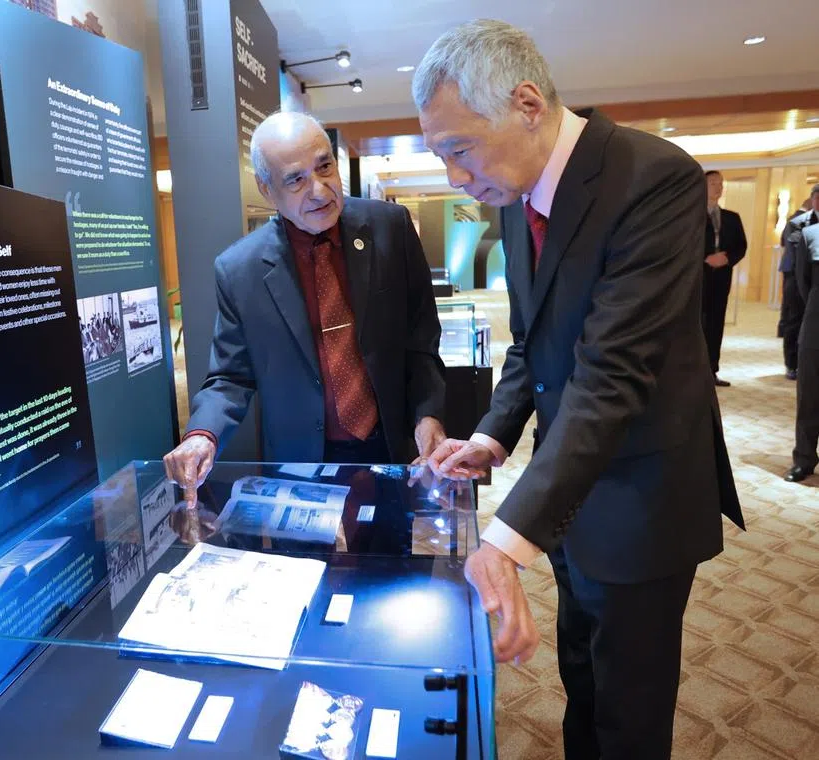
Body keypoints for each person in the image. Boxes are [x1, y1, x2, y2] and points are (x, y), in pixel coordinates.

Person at [412, 20, 743, 760]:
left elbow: (613, 373)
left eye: (459, 150)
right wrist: (494, 435)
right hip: (567, 490)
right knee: (582, 674)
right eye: (441, 157)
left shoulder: (653, 177)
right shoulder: (516, 192)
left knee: (629, 704)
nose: (454, 179)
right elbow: (533, 342)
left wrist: (502, 541)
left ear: (527, 103)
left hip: (642, 495)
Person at [162, 112, 448, 506]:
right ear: (266, 190)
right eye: (296, 179)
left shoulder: (391, 228)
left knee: (391, 557)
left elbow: (421, 338)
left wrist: (428, 414)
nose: (320, 190)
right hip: (300, 466)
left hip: (394, 452)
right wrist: (201, 434)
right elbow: (230, 376)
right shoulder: (239, 269)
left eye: (325, 166)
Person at [702, 170, 747, 387]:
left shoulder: (732, 217)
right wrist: (705, 258)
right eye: (713, 183)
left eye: (720, 184)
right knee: (697, 324)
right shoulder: (691, 217)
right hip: (697, 279)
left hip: (721, 279)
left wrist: (726, 258)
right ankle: (692, 372)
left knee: (716, 324)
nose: (718, 187)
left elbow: (741, 246)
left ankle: (711, 370)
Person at [785, 193, 819, 483]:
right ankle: (804, 459)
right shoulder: (809, 235)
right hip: (815, 325)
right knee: (808, 395)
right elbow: (803, 283)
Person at [781, 190, 817, 380]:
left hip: (810, 281)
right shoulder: (797, 222)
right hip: (795, 279)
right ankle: (792, 364)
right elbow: (797, 255)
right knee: (794, 321)